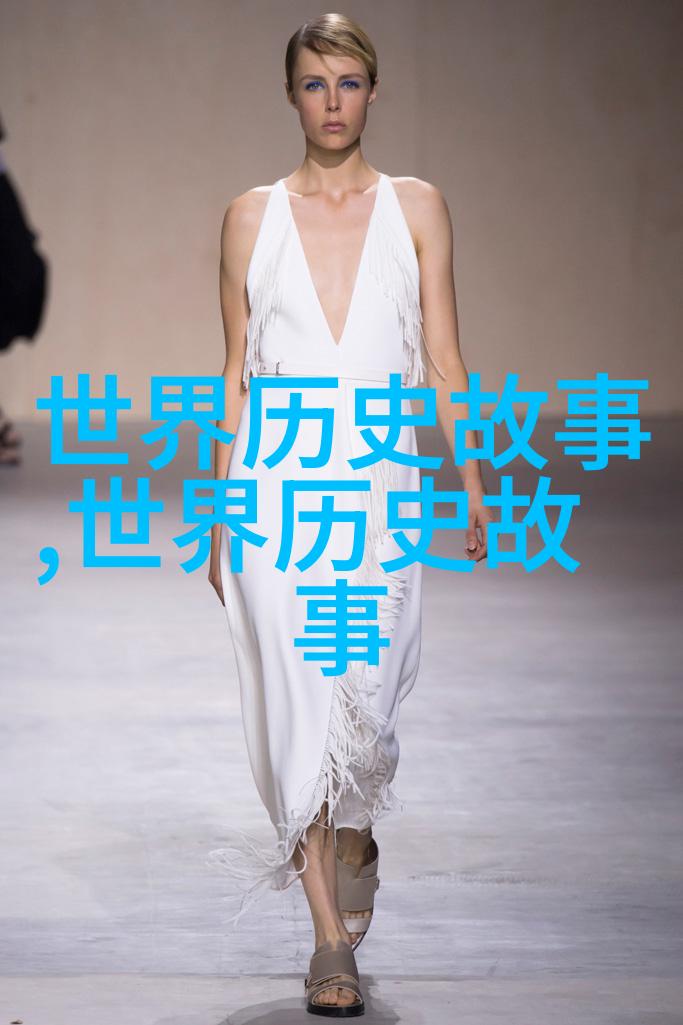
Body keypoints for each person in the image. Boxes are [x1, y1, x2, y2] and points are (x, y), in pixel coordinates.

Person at [207, 14, 490, 1017]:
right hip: (275, 486)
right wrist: (221, 510)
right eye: (314, 83)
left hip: (378, 482)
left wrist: (472, 478)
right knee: (294, 705)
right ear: (290, 94)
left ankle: (357, 828)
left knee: (366, 707)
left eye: (349, 82)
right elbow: (234, 375)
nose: (332, 101)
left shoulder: (417, 207)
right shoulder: (249, 217)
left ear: (373, 91)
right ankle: (328, 938)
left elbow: (443, 360)